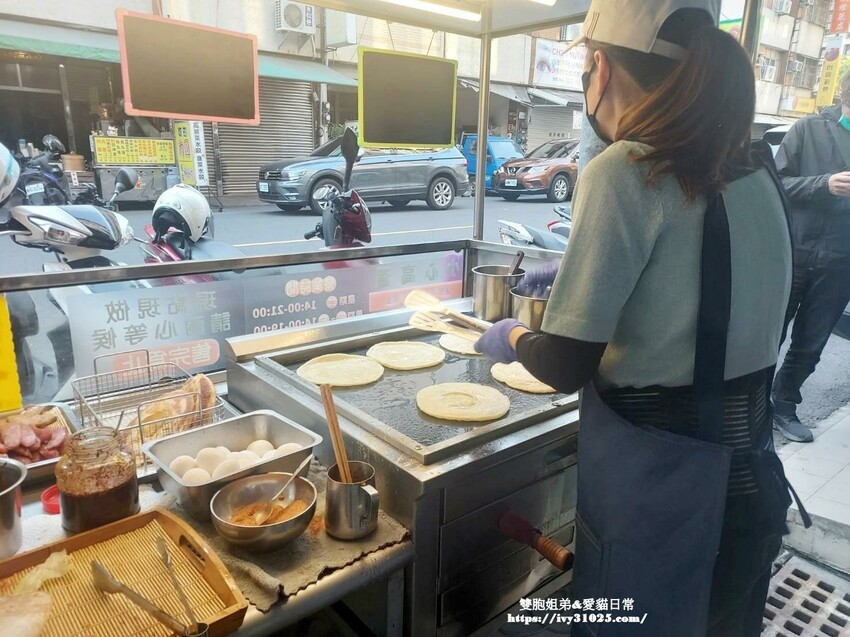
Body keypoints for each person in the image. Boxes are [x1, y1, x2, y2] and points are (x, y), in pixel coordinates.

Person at [474, 1, 810, 635]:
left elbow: (566, 364)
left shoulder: (627, 170)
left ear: (600, 69)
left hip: (663, 502)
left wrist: (511, 335)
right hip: (748, 489)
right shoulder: (754, 167)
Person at [771, 73, 850, 442]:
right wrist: (824, 184)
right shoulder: (808, 129)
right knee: (768, 335)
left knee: (811, 345)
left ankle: (784, 406)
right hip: (794, 253)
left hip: (840, 264)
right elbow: (775, 184)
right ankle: (750, 406)